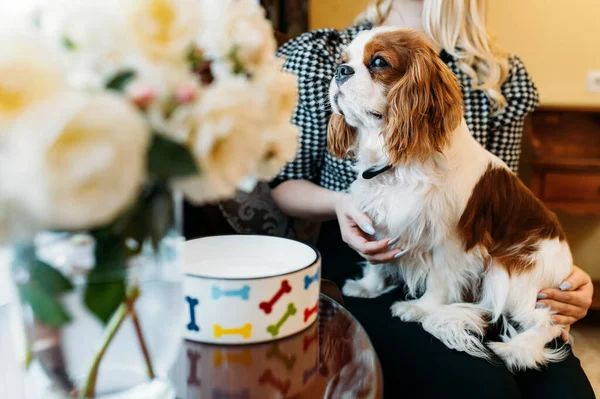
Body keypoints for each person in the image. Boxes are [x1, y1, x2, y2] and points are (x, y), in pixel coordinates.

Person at [270, 0, 596, 398]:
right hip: (361, 256)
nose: (352, 69)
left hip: (468, 260)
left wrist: (559, 274)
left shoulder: (499, 74)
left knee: (566, 394)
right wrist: (340, 204)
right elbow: (285, 184)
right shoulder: (318, 53)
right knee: (482, 388)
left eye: (377, 64)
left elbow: (492, 204)